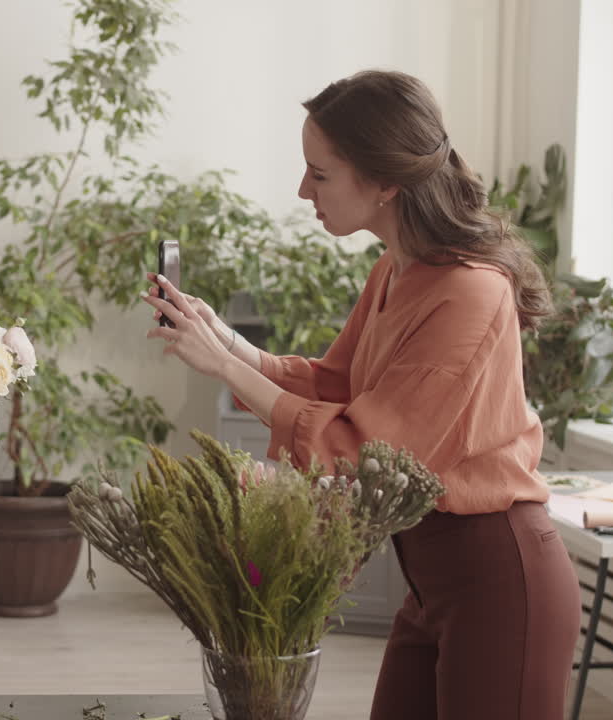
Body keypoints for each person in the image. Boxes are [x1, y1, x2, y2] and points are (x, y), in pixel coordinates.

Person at [143, 70, 579, 719]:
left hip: (498, 580)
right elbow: (338, 385)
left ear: (384, 182)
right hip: (432, 583)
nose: (302, 190)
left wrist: (229, 372)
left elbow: (365, 446)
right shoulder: (397, 269)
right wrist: (225, 342)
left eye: (319, 174)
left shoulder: (470, 293)